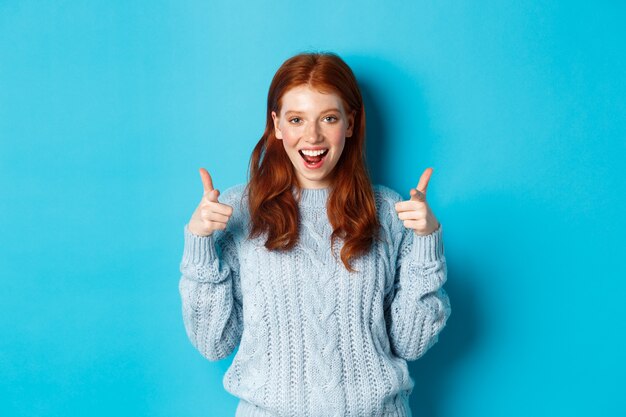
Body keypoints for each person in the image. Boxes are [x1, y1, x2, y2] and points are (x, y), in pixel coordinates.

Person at [179, 51, 451, 417]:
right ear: (277, 125)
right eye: (296, 119)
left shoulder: (389, 212)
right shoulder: (239, 210)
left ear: (350, 123)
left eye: (328, 118)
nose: (312, 136)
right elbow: (214, 343)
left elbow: (411, 342)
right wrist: (199, 243)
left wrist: (427, 243)